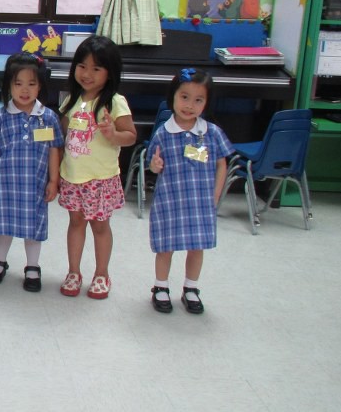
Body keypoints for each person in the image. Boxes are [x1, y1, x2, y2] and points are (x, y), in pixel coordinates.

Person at [0, 53, 62, 291]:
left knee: (33, 227)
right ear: (9, 85)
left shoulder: (48, 118)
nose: (24, 90)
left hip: (35, 185)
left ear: (40, 86)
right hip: (4, 184)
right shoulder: (1, 117)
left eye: (31, 84)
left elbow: (54, 150)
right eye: (18, 83)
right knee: (4, 224)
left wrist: (53, 180)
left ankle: (32, 266)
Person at [147, 68, 233, 314]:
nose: (189, 105)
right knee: (165, 247)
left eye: (198, 100)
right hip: (169, 202)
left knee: (197, 247)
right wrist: (154, 165)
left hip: (200, 203)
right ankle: (161, 286)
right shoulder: (163, 133)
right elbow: (152, 164)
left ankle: (191, 288)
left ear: (206, 103)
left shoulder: (211, 133)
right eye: (184, 97)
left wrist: (216, 195)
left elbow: (222, 164)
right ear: (173, 97)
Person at [56, 35, 136, 299]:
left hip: (101, 179)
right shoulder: (71, 100)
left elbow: (130, 136)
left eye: (96, 68)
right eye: (82, 66)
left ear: (109, 72)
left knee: (100, 227)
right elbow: (63, 136)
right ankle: (74, 272)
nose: (87, 74)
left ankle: (102, 274)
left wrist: (113, 134)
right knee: (75, 223)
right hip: (73, 176)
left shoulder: (115, 102)